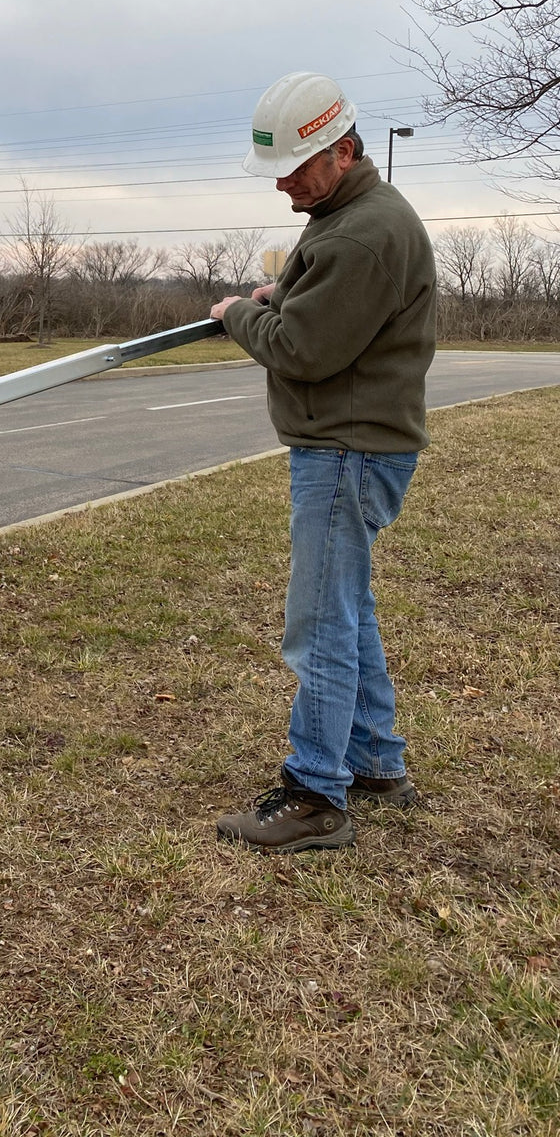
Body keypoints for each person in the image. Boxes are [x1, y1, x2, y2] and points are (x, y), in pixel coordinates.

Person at [208, 72, 437, 851]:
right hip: (358, 446)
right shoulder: (351, 215)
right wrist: (288, 291)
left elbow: (303, 349)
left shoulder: (359, 234)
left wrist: (239, 312)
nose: (283, 183)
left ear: (342, 151)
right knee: (350, 611)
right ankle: (375, 760)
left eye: (298, 167)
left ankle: (314, 794)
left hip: (346, 449)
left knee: (319, 626)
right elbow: (326, 308)